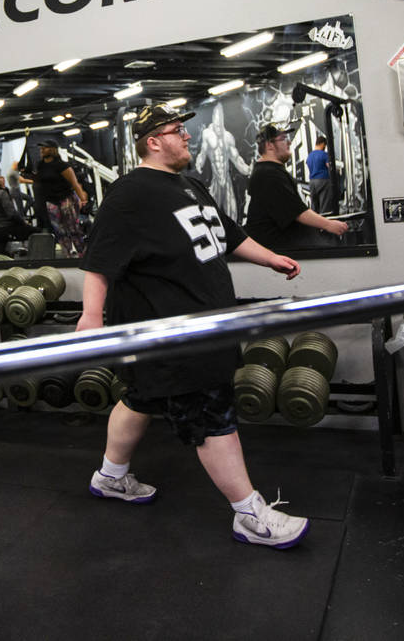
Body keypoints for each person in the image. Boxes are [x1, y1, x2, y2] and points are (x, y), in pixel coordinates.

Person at [79, 103, 310, 549]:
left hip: (205, 322)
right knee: (211, 414)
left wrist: (271, 259)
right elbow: (99, 260)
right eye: (177, 130)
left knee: (140, 397)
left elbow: (230, 235)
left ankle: (110, 477)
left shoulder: (190, 186)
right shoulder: (131, 192)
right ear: (153, 141)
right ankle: (250, 515)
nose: (187, 135)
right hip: (175, 330)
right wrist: (90, 317)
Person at [244, 123, 348, 249]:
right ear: (269, 145)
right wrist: (328, 225)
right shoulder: (268, 174)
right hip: (281, 252)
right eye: (283, 139)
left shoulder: (271, 171)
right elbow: (298, 213)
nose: (288, 142)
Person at [19, 139, 88, 257]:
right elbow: (40, 181)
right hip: (51, 202)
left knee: (73, 229)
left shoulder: (62, 165)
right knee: (60, 231)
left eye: (44, 148)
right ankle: (68, 255)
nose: (42, 150)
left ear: (53, 149)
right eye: (41, 148)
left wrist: (83, 199)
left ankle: (83, 254)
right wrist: (26, 178)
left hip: (66, 199)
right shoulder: (40, 165)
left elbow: (74, 183)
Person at [194, 102, 251, 221]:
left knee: (233, 214)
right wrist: (200, 162)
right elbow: (203, 152)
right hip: (215, 180)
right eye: (217, 125)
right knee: (213, 214)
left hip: (227, 180)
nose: (219, 128)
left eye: (220, 125)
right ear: (214, 122)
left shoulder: (228, 137)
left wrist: (247, 170)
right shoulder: (207, 135)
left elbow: (236, 158)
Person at [306, 135, 337, 215]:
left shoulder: (309, 156)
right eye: (325, 145)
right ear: (322, 144)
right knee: (324, 206)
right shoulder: (324, 154)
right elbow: (329, 167)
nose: (325, 147)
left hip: (312, 182)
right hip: (323, 181)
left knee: (314, 206)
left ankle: (315, 226)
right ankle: (324, 226)